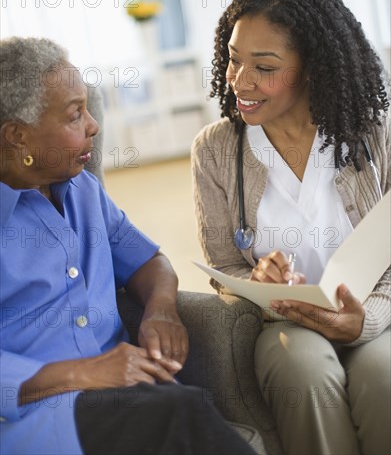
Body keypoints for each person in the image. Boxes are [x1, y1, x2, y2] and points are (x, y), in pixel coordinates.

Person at [0, 37, 258, 455]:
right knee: (178, 410)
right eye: (74, 114)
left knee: (176, 407)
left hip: (132, 398)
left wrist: (161, 308)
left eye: (87, 107)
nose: (93, 126)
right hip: (36, 418)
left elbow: (146, 259)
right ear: (17, 136)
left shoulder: (83, 190)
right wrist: (85, 373)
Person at [191, 0, 390, 455]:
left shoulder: (376, 135)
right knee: (305, 375)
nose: (239, 80)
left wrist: (367, 321)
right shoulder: (216, 150)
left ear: (314, 71)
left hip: (378, 312)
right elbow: (225, 268)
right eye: (234, 59)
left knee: (384, 379)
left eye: (264, 67)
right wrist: (259, 281)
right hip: (283, 326)